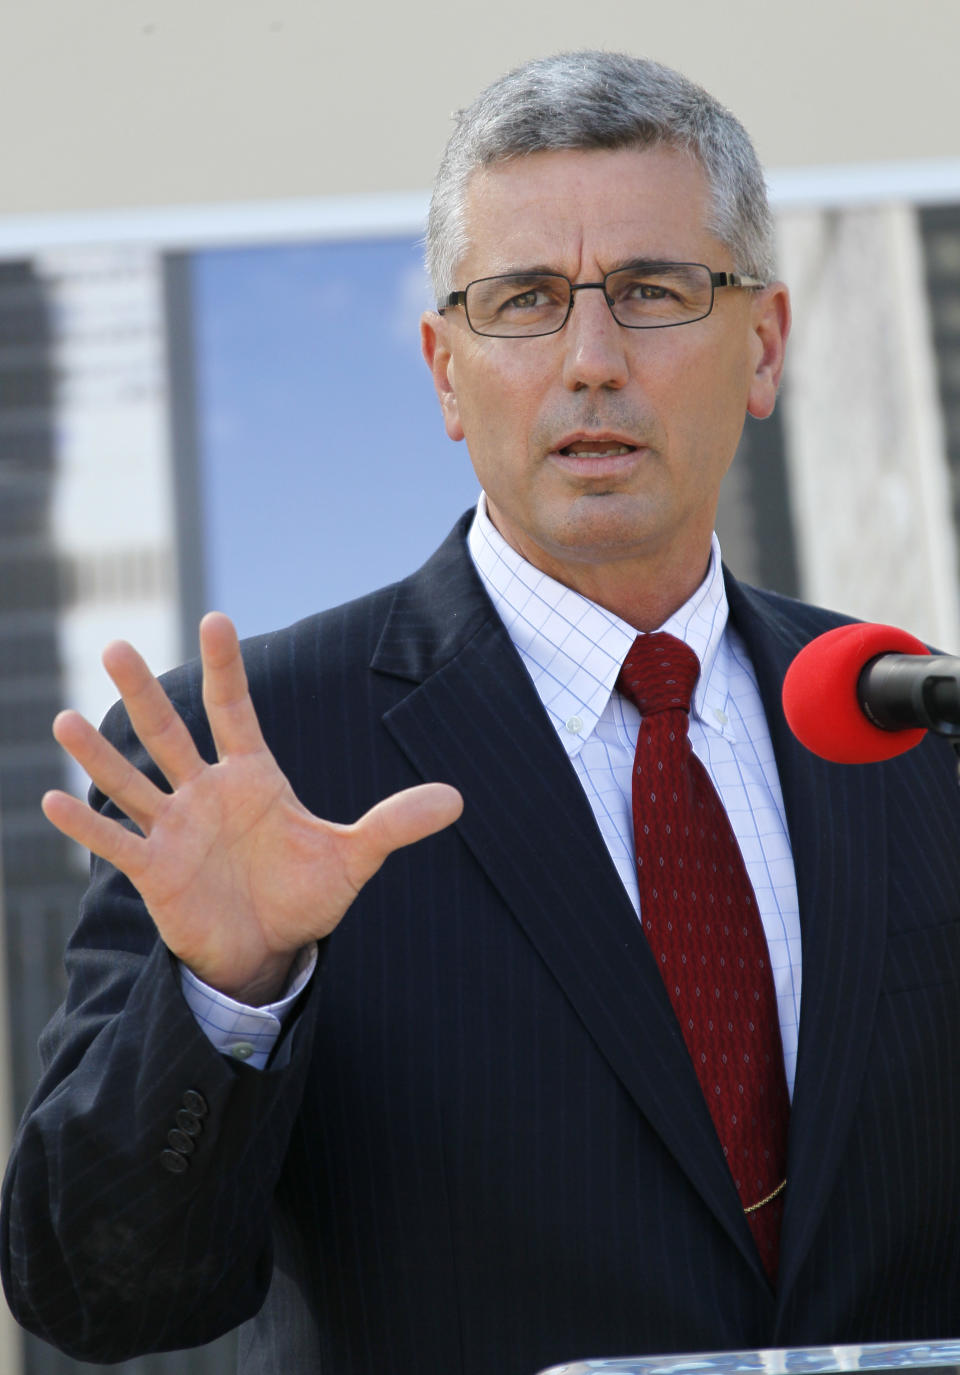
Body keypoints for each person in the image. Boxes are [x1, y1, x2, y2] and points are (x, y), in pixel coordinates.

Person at [3, 49, 960, 1375]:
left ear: (766, 346)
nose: (590, 359)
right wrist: (227, 995)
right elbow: (97, 1300)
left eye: (654, 290)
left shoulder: (908, 717)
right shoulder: (262, 756)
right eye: (523, 301)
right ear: (446, 373)